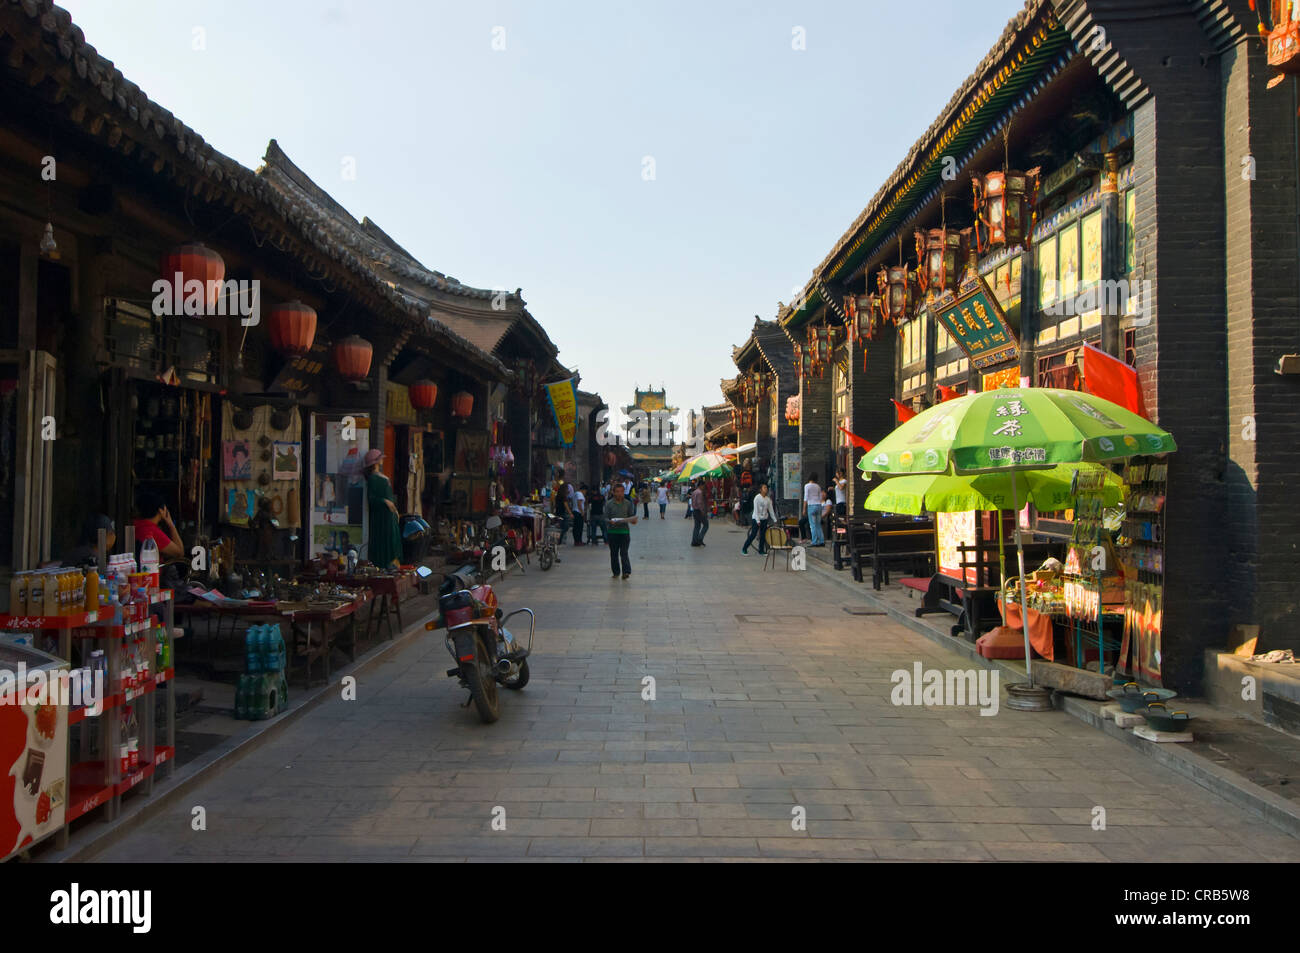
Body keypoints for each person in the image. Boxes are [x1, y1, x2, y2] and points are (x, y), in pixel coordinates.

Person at [363, 448, 402, 569]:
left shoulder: (379, 477)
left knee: (391, 540)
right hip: (382, 516)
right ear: (376, 462)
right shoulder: (373, 479)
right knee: (385, 541)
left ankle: (393, 566)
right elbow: (372, 499)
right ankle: (385, 566)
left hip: (389, 515)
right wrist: (385, 502)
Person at [133, 490, 184, 561]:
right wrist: (171, 524)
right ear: (161, 510)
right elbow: (179, 553)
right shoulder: (151, 530)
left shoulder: (135, 525)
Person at [604, 481, 638, 579]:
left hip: (624, 532)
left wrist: (633, 521)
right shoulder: (609, 504)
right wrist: (610, 521)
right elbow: (605, 518)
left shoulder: (627, 503)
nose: (620, 494)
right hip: (612, 532)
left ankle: (626, 572)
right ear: (613, 493)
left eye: (622, 492)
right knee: (614, 553)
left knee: (624, 553)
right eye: (617, 492)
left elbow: (631, 516)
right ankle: (616, 572)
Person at [741, 483, 775, 556]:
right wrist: (758, 520)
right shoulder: (757, 498)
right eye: (764, 488)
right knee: (753, 534)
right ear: (761, 490)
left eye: (766, 488)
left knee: (763, 535)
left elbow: (771, 510)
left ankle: (761, 551)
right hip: (756, 518)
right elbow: (755, 510)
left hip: (764, 519)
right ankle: (744, 549)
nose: (766, 489)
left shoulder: (768, 499)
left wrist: (774, 519)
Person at [804, 472, 825, 547]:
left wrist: (804, 509)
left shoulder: (807, 486)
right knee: (818, 524)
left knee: (812, 525)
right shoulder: (818, 486)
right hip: (818, 506)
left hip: (811, 506)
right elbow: (820, 498)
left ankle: (814, 541)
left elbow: (806, 498)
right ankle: (822, 541)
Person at [690, 480, 709, 547]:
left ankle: (694, 541)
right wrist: (703, 511)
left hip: (695, 510)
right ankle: (699, 539)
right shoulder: (700, 493)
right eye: (704, 486)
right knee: (706, 525)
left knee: (697, 526)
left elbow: (692, 501)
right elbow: (700, 503)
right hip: (699, 511)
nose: (704, 487)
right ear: (701, 485)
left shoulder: (694, 492)